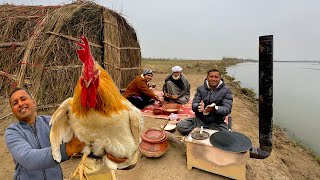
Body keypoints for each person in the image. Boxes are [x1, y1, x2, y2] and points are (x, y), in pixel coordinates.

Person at [5, 87, 85, 180]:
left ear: (33, 102)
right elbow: (29, 159)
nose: (20, 104)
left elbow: (78, 138)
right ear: (12, 110)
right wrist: (68, 149)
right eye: (15, 103)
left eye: (23, 99)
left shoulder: (52, 122)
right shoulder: (12, 132)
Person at [177, 68, 233, 135]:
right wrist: (198, 107)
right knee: (181, 126)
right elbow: (194, 104)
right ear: (207, 77)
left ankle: (200, 132)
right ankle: (207, 133)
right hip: (200, 119)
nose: (213, 79)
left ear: (220, 78)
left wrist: (215, 109)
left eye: (216, 77)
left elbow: (227, 109)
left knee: (225, 134)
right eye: (211, 76)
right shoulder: (201, 88)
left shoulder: (226, 90)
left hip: (217, 122)